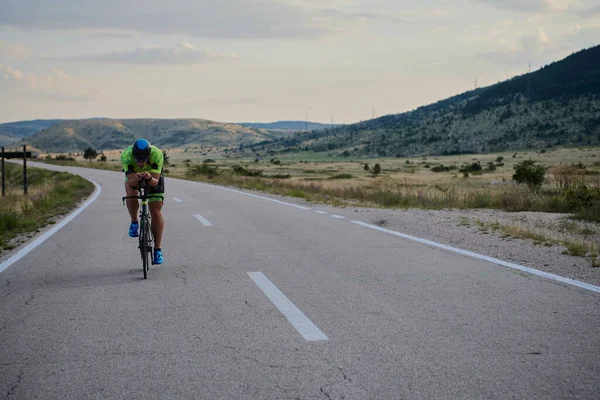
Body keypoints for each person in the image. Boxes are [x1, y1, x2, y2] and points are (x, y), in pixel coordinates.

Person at [121, 139, 165, 264]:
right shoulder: (126, 155)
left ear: (149, 155)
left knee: (155, 210)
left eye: (144, 159)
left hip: (152, 175)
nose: (140, 162)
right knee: (131, 192)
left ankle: (157, 250)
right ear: (133, 155)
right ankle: (134, 222)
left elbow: (155, 182)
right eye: (138, 159)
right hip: (133, 176)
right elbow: (132, 184)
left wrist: (149, 178)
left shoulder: (157, 155)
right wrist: (136, 178)